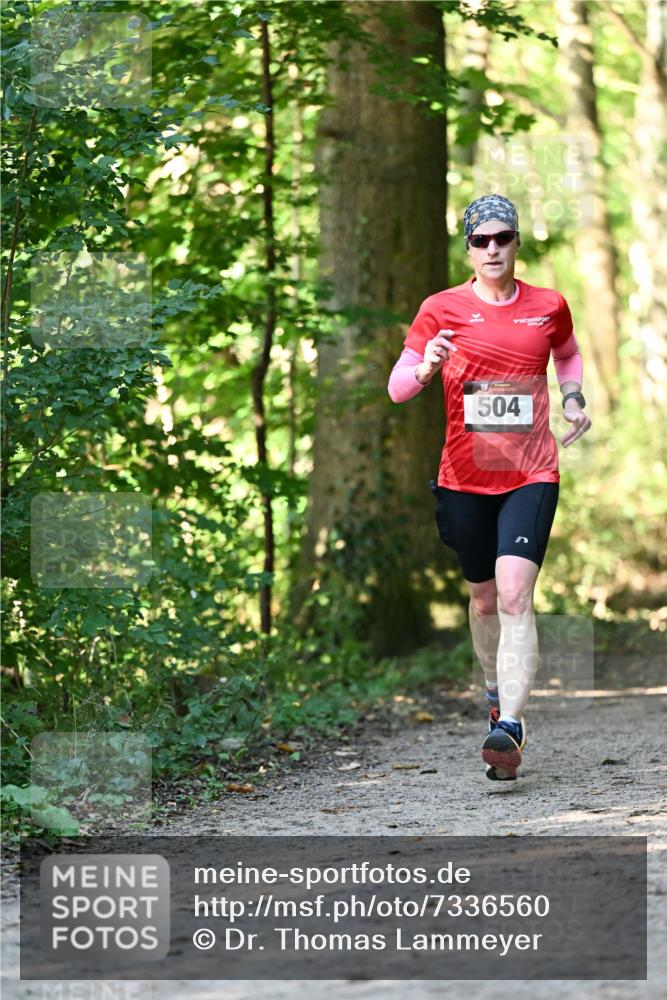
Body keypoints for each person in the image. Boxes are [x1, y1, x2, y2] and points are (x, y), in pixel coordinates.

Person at [387, 194, 592, 781]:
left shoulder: (548, 305)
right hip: (464, 479)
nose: (493, 249)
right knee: (481, 600)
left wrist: (572, 397)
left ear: (517, 243)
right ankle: (496, 696)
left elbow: (568, 354)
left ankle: (513, 728)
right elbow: (398, 387)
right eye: (481, 241)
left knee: (512, 595)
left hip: (532, 472)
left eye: (503, 238)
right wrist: (427, 366)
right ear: (469, 249)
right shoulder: (440, 308)